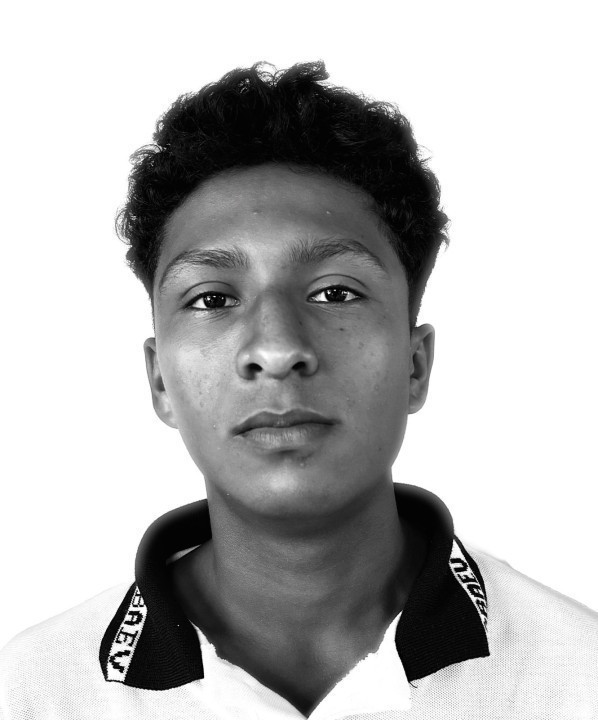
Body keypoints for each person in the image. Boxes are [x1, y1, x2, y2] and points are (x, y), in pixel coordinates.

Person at [0, 61, 596, 720]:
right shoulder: (34, 692)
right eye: (213, 298)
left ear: (415, 365)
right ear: (160, 379)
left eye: (336, 292)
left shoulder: (579, 677)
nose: (278, 348)